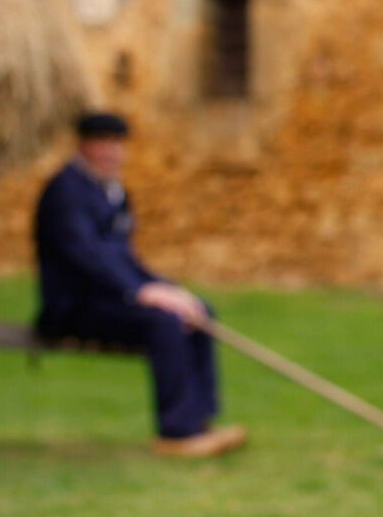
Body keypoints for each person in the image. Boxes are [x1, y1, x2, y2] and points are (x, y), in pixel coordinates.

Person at [33, 112, 245, 458]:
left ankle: (198, 421)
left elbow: (125, 260)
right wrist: (140, 293)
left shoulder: (113, 192)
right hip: (74, 306)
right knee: (162, 323)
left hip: (112, 298)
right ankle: (176, 432)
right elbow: (85, 255)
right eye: (103, 144)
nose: (112, 153)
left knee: (196, 310)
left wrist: (170, 290)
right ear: (83, 145)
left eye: (117, 145)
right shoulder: (65, 192)